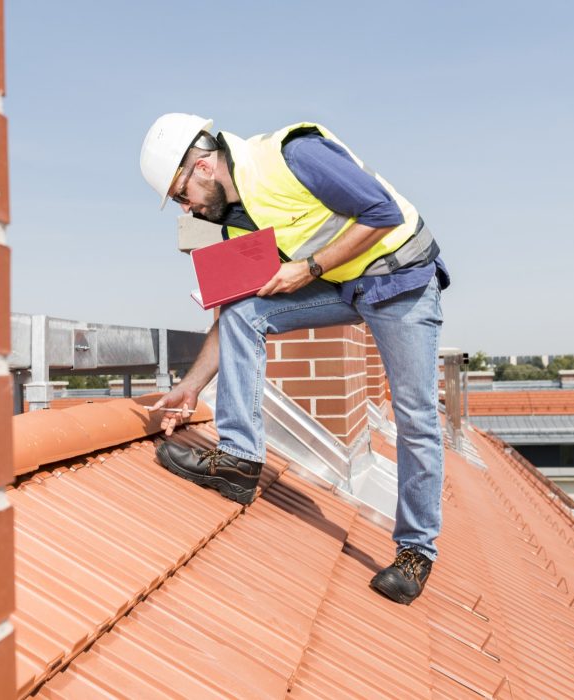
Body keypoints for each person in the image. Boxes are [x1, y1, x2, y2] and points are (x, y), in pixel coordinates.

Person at [137, 113, 450, 605]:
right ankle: (239, 460)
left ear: (202, 167)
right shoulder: (232, 222)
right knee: (242, 309)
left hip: (401, 279)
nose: (186, 209)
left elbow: (382, 212)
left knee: (416, 416)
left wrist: (308, 268)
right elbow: (230, 310)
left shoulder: (292, 155)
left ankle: (415, 551)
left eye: (181, 195)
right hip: (346, 285)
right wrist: (191, 385)